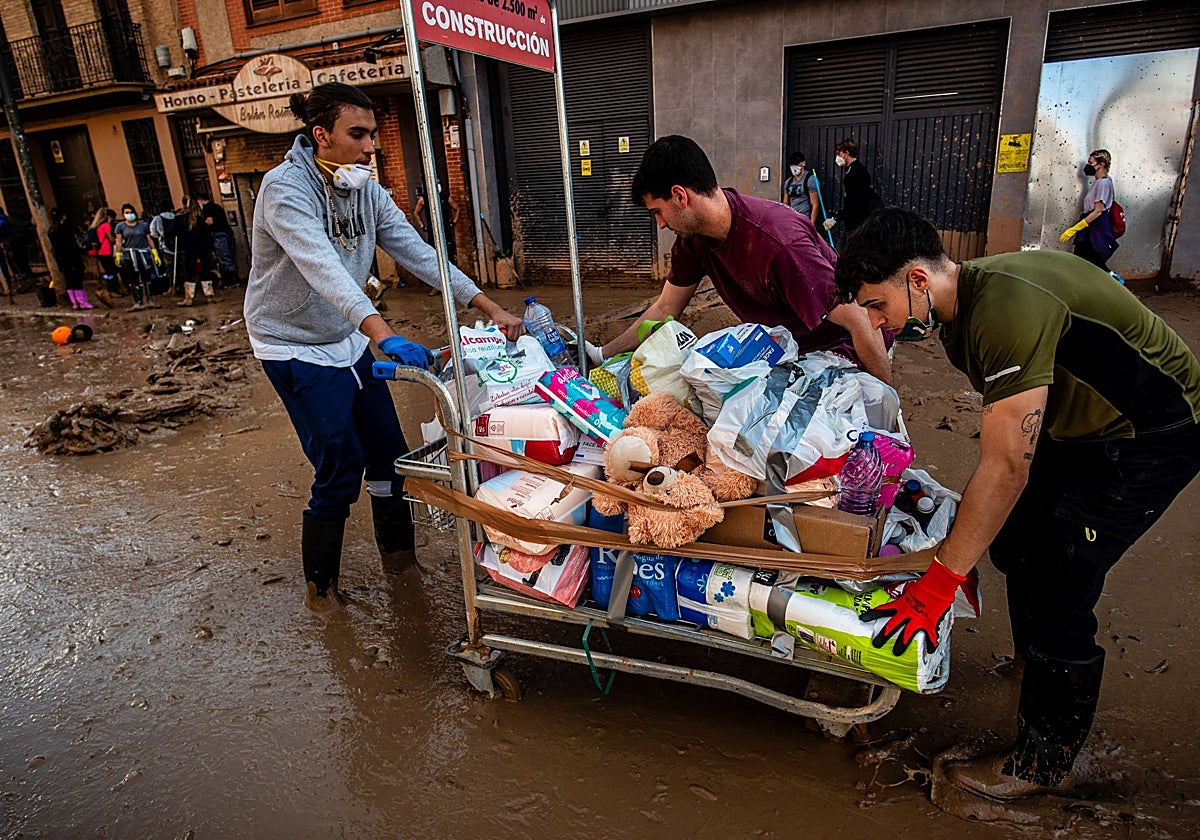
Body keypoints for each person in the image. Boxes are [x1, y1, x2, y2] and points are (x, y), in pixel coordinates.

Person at [835, 207, 1200, 804]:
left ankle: (1044, 761)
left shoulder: (1004, 309)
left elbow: (1007, 466)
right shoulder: (956, 312)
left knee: (1062, 571)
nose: (876, 322)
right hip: (1076, 427)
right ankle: (1038, 664)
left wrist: (940, 579)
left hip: (1154, 430)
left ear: (918, 281)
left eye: (878, 305)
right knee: (1014, 542)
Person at [244, 82, 524, 614]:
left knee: (392, 460)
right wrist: (382, 333)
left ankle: (400, 566)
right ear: (320, 134)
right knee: (340, 464)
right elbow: (323, 268)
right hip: (293, 345)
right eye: (358, 134)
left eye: (373, 133)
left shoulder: (365, 188)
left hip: (346, 337)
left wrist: (488, 306)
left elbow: (417, 252)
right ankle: (321, 591)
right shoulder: (285, 190)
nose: (370, 146)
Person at [590, 135, 891, 385]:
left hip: (845, 351)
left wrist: (887, 411)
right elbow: (666, 307)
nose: (661, 224)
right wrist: (600, 354)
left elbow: (861, 321)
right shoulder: (694, 240)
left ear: (680, 196)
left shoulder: (779, 242)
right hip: (787, 353)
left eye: (657, 211)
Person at [1059, 148, 1119, 273]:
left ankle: (1117, 283)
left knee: (1094, 262)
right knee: (1083, 261)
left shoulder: (1103, 183)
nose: (1088, 166)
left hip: (1095, 229)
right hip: (1091, 228)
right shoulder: (1101, 182)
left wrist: (1075, 228)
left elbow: (1097, 211)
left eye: (1091, 163)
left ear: (1101, 164)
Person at [823, 138, 882, 244]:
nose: (837, 157)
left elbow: (853, 201)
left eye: (839, 153)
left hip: (856, 223)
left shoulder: (854, 173)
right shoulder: (855, 170)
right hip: (855, 222)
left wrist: (836, 218)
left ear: (846, 153)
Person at [113, 204, 161, 311]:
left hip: (143, 254)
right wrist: (118, 254)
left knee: (146, 277)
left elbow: (149, 239)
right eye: (126, 213)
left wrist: (155, 253)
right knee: (133, 278)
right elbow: (119, 241)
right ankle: (138, 301)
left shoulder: (143, 226)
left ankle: (149, 300)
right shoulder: (120, 227)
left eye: (131, 212)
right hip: (129, 255)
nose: (129, 215)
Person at [172, 197, 216, 307]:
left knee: (189, 273)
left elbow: (172, 232)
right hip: (203, 249)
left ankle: (189, 298)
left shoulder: (181, 219)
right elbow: (207, 235)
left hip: (189, 248)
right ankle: (209, 296)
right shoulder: (201, 219)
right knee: (205, 271)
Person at [48, 208, 91, 309]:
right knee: (77, 280)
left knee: (69, 281)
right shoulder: (63, 230)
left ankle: (75, 303)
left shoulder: (51, 230)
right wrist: (83, 251)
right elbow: (71, 245)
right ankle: (82, 302)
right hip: (72, 258)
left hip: (62, 260)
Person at [197, 193, 239, 288]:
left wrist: (201, 223)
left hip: (219, 235)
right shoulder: (217, 206)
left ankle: (232, 280)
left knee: (225, 257)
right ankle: (232, 278)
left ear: (200, 200)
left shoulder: (207, 208)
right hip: (226, 233)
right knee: (228, 256)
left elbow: (210, 221)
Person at [782, 151, 821, 227]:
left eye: (796, 164)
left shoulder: (810, 180)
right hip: (791, 220)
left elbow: (815, 204)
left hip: (804, 220)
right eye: (792, 164)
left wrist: (811, 224)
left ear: (803, 163)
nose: (794, 167)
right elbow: (785, 203)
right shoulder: (788, 182)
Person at [149, 201, 179, 295]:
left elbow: (153, 232)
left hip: (165, 246)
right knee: (179, 266)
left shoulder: (158, 218)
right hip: (178, 244)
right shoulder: (176, 217)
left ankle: (171, 286)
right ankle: (181, 285)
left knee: (169, 267)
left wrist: (160, 236)